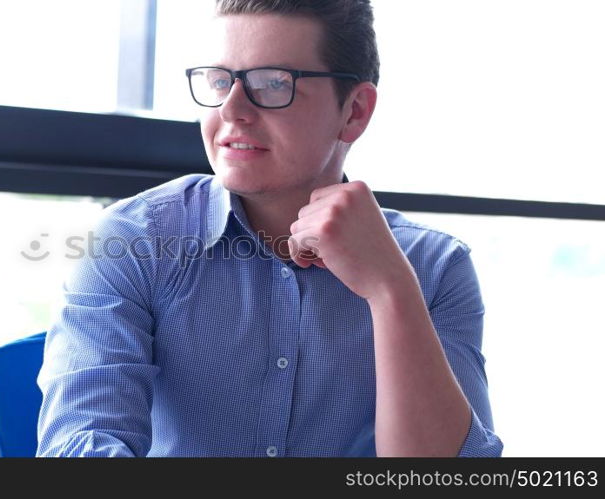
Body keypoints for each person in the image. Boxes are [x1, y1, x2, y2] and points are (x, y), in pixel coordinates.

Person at [36, 0, 503, 457]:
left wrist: (391, 289)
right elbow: (78, 447)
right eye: (220, 80)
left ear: (355, 111)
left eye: (273, 83)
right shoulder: (131, 240)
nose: (233, 109)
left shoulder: (436, 267)